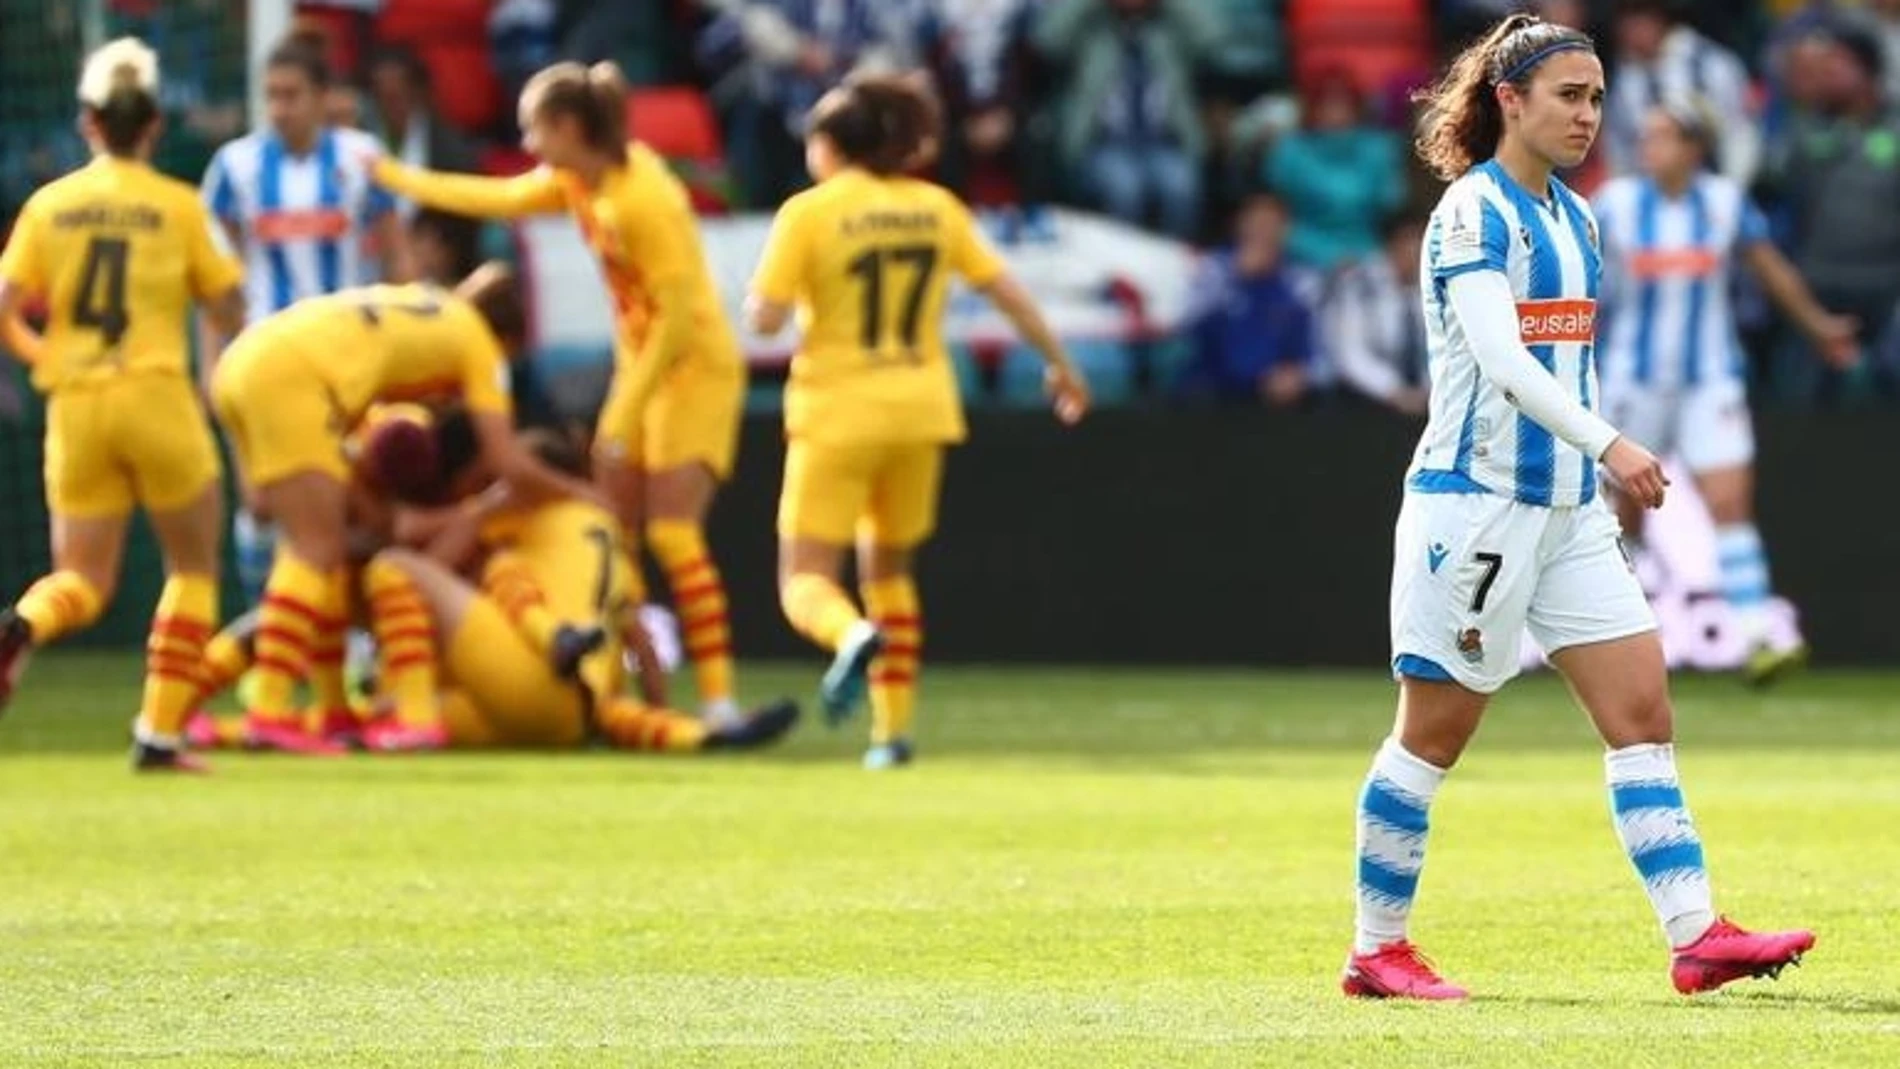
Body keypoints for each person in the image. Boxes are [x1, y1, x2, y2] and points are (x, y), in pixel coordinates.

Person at [1346, 14, 1813, 1001]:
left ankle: (1695, 936)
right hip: (1475, 506)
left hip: (1566, 509)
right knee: (1432, 734)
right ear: (1508, 100)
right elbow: (1504, 360)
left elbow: (1567, 359)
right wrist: (1613, 443)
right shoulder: (1473, 213)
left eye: (1596, 96)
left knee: (1642, 709)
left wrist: (1591, 466)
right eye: (1567, 95)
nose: (1587, 114)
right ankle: (1376, 948)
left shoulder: (1577, 215)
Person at [370, 61, 752, 732]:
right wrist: (395, 177)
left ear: (570, 127)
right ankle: (633, 690)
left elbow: (677, 313)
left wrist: (622, 412)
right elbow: (499, 198)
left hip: (697, 374)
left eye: (534, 127)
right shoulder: (581, 181)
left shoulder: (646, 199)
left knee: (673, 531)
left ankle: (719, 699)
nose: (527, 141)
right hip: (643, 372)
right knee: (617, 534)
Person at [746, 74, 1090, 769]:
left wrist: (769, 302)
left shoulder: (808, 213)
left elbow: (767, 318)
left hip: (837, 410)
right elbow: (1007, 292)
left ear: (832, 146)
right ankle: (891, 732)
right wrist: (1060, 364)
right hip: (921, 408)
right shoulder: (936, 208)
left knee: (805, 579)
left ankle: (848, 637)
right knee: (892, 570)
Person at [207, 267, 594, 754]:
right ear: (511, 340)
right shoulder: (475, 347)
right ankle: (270, 710)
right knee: (320, 555)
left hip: (244, 358)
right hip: (293, 379)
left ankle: (201, 704)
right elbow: (507, 461)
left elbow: (284, 500)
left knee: (316, 557)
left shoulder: (422, 306)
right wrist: (584, 493)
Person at [0, 38, 246, 773]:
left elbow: (5, 305)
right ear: (155, 126)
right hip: (157, 393)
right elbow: (230, 302)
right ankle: (160, 734)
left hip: (77, 406)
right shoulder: (177, 205)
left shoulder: (52, 205)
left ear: (88, 123)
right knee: (194, 567)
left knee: (81, 577)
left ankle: (24, 623)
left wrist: (52, 358)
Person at [1593, 101, 1858, 683]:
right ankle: (1620, 643)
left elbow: (1771, 270)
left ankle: (1759, 637)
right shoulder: (1613, 206)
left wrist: (1818, 328)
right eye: (1648, 136)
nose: (1651, 147)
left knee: (1730, 506)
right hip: (1630, 382)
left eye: (1665, 137)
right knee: (1625, 517)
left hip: (1709, 379)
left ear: (1695, 148)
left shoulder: (1723, 202)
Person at [201, 36, 413, 719]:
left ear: (325, 99)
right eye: (273, 95)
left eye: (294, 95)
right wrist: (211, 370)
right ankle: (275, 669)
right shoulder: (233, 169)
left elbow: (398, 264)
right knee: (262, 512)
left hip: (348, 371)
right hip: (263, 371)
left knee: (351, 514)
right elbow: (219, 289)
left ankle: (349, 668)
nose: (282, 108)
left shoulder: (359, 164)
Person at [359, 428, 800, 753]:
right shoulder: (610, 538)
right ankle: (693, 734)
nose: (505, 481)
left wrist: (486, 505)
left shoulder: (532, 512)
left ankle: (412, 719)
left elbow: (422, 553)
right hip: (571, 721)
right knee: (389, 715)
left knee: (397, 567)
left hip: (532, 679)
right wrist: (660, 704)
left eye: (517, 474)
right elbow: (642, 644)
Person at [1323, 211, 1432, 416]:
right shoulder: (1358, 283)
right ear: (1390, 245)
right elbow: (1350, 354)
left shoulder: (1442, 286)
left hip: (1430, 402)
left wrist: (1428, 391)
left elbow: (1449, 351)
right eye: (1410, 240)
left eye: (1424, 240)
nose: (1417, 250)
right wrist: (1393, 391)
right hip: (1365, 404)